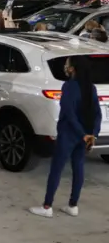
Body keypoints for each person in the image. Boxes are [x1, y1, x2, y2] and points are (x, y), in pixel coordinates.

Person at [29, 56, 102, 218]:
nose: (65, 67)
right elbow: (97, 113)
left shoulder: (69, 86)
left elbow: (69, 114)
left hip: (69, 134)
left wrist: (82, 134)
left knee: (57, 169)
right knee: (78, 168)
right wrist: (92, 134)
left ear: (73, 69)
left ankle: (47, 206)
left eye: (67, 64)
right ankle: (73, 205)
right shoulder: (91, 88)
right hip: (85, 135)